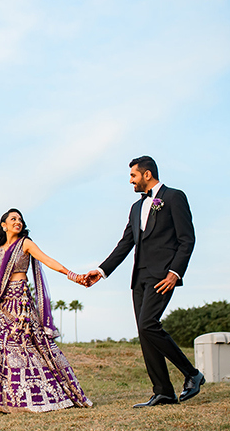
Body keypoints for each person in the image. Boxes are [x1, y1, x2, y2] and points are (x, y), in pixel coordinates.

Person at [84, 156, 204, 407]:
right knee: (144, 331)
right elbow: (126, 243)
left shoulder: (174, 197)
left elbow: (187, 240)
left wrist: (175, 273)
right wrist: (101, 271)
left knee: (149, 324)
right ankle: (163, 391)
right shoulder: (136, 208)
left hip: (163, 276)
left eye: (133, 176)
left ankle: (192, 374)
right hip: (139, 277)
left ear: (147, 174)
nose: (131, 181)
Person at [0, 209, 92, 413]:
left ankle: (45, 394)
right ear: (4, 225)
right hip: (3, 298)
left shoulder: (25, 243)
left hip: (21, 304)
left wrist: (73, 275)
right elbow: (4, 279)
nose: (17, 222)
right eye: (13, 219)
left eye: (20, 219)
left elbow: (48, 261)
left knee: (27, 347)